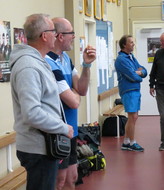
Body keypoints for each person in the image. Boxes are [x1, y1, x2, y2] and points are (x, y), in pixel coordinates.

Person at [9, 13, 74, 190]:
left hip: (45, 145)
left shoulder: (39, 61)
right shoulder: (29, 66)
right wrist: (63, 128)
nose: (56, 35)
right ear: (45, 36)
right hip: (38, 149)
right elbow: (31, 113)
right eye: (53, 31)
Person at [45, 17, 96, 190]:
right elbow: (74, 102)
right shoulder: (48, 62)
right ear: (60, 36)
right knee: (59, 180)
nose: (74, 36)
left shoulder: (65, 58)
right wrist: (73, 93)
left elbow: (81, 90)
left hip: (71, 130)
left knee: (72, 177)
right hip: (57, 132)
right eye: (71, 33)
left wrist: (87, 66)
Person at [115, 34, 147, 152]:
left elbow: (143, 70)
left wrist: (140, 72)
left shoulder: (131, 57)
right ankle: (132, 142)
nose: (133, 44)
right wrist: (139, 75)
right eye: (131, 42)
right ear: (124, 45)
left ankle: (126, 141)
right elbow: (133, 76)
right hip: (128, 90)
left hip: (135, 90)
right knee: (132, 116)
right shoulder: (121, 60)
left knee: (133, 117)